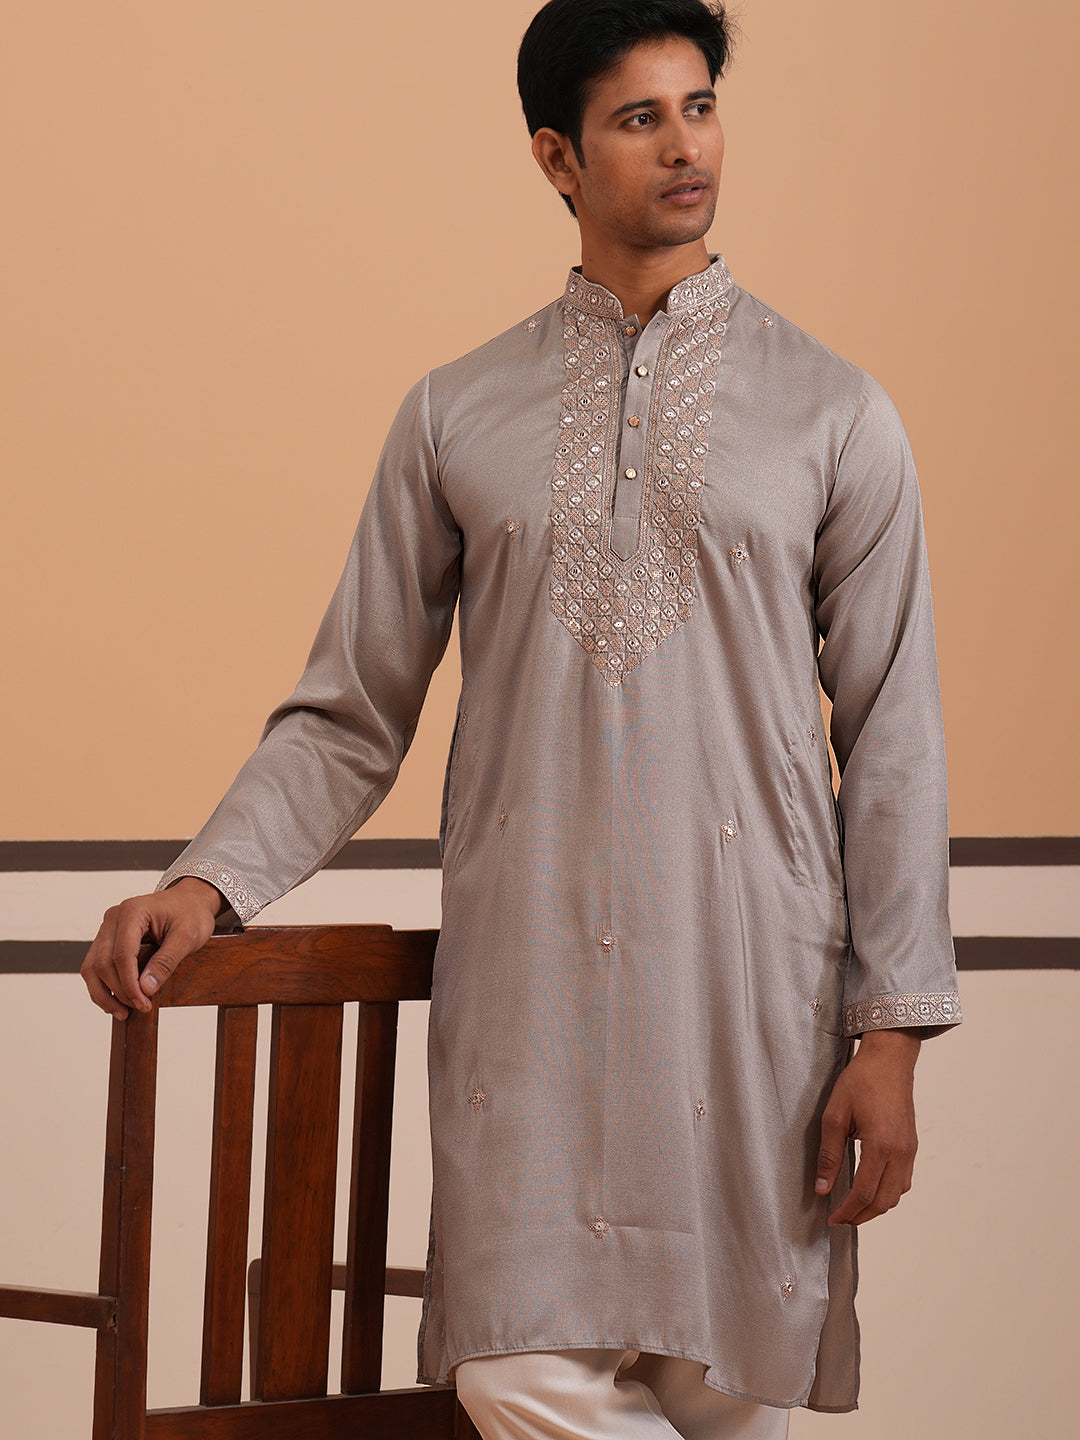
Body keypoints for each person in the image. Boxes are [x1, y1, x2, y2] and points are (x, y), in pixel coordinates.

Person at [81, 2, 962, 1436]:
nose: (686, 147)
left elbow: (894, 740)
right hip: (531, 997)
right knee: (518, 1370)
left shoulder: (834, 414)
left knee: (724, 1393)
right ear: (558, 157)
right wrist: (209, 879)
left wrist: (895, 1034)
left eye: (701, 107)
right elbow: (351, 710)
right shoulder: (457, 413)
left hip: (754, 997)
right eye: (639, 118)